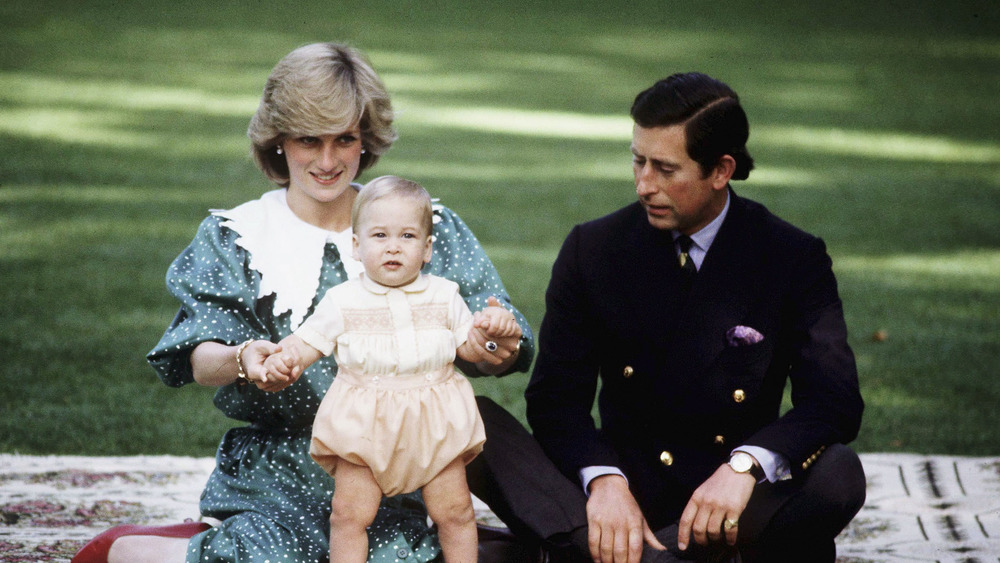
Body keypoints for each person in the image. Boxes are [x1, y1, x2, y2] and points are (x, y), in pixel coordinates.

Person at [71, 42, 532, 563]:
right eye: (309, 139)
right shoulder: (238, 236)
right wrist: (243, 358)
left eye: (346, 139)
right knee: (273, 554)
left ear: (368, 140)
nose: (329, 160)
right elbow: (197, 357)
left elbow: (498, 340)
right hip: (278, 475)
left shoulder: (422, 226)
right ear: (279, 142)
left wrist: (496, 347)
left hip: (399, 473)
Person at [523, 72, 866, 562]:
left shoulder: (790, 256)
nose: (644, 185)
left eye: (665, 169)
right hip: (627, 502)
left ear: (721, 171)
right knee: (484, 431)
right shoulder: (593, 250)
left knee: (840, 473)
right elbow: (555, 400)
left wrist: (745, 467)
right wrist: (604, 481)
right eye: (638, 161)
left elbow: (834, 401)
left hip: (734, 511)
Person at [262, 175, 522, 562]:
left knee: (455, 512)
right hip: (365, 422)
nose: (393, 248)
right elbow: (308, 341)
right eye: (380, 236)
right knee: (349, 514)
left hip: (435, 421)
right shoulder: (344, 300)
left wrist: (490, 333)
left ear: (428, 248)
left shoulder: (444, 295)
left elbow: (470, 347)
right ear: (356, 244)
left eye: (407, 237)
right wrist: (286, 358)